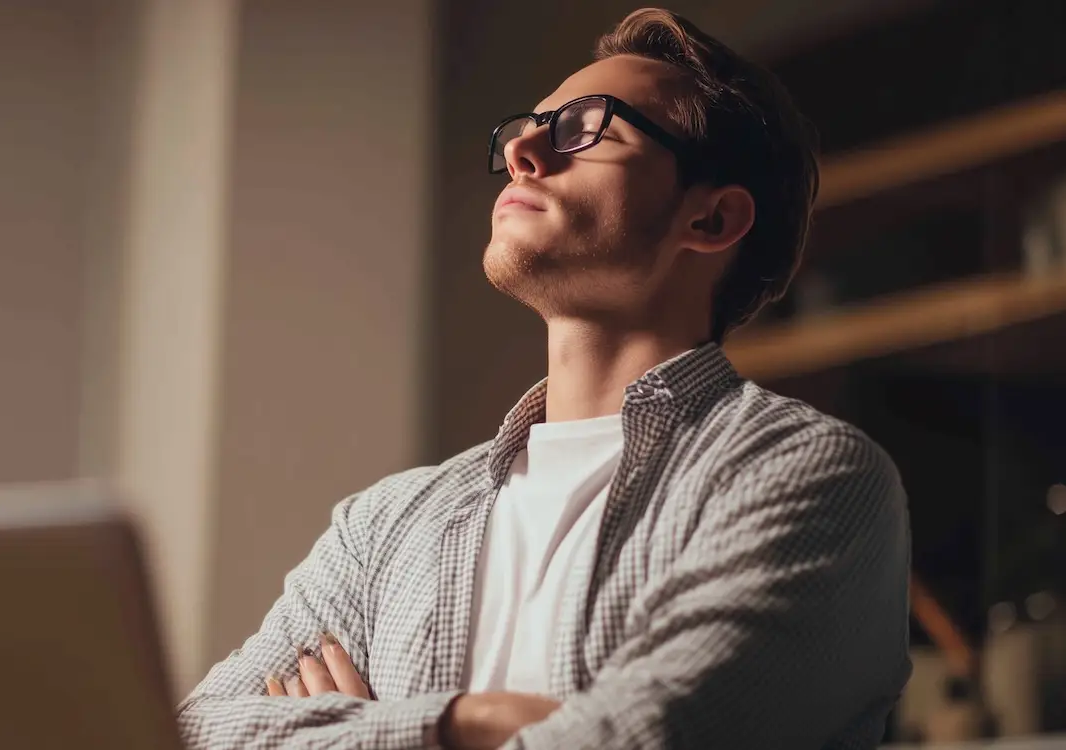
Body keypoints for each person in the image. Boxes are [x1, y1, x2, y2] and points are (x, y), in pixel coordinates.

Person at [175, 8, 911, 749]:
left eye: (587, 128)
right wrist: (467, 722)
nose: (523, 149)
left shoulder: (805, 476)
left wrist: (359, 730)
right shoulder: (383, 528)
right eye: (530, 126)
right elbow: (186, 732)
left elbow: (634, 740)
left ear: (713, 220)